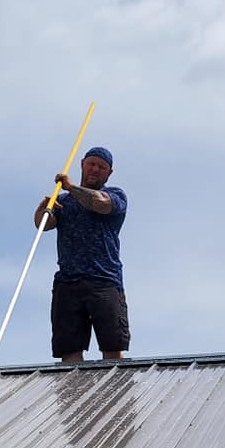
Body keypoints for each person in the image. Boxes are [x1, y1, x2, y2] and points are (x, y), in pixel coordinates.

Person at [34, 145, 130, 362]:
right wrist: (43, 208)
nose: (95, 169)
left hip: (105, 281)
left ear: (109, 173)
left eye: (101, 167)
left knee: (113, 348)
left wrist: (71, 187)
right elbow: (43, 224)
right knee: (69, 352)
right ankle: (73, 385)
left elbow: (100, 203)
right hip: (68, 283)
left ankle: (114, 384)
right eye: (91, 164)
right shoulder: (63, 201)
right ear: (82, 165)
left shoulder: (116, 195)